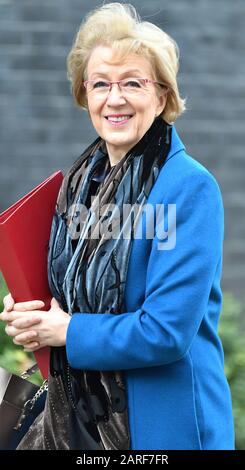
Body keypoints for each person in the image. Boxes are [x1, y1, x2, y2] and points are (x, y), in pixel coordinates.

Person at [0, 3, 234, 450]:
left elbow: (166, 332)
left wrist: (66, 331)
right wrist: (32, 310)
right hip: (78, 420)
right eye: (101, 84)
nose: (115, 98)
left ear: (162, 96)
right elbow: (68, 294)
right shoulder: (77, 186)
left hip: (157, 427)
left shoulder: (188, 189)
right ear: (84, 94)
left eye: (133, 83)